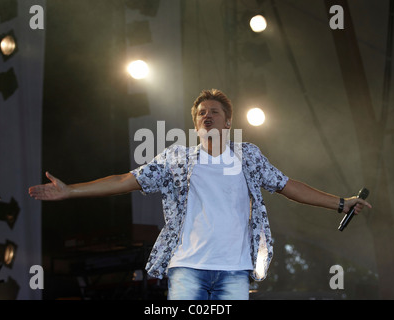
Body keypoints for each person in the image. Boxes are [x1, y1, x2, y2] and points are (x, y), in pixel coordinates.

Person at [28, 89, 372, 300]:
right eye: (201, 113)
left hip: (235, 269)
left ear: (227, 123)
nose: (207, 116)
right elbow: (124, 179)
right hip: (188, 267)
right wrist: (70, 191)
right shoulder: (176, 159)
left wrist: (341, 202)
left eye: (214, 112)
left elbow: (288, 185)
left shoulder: (247, 155)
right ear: (196, 124)